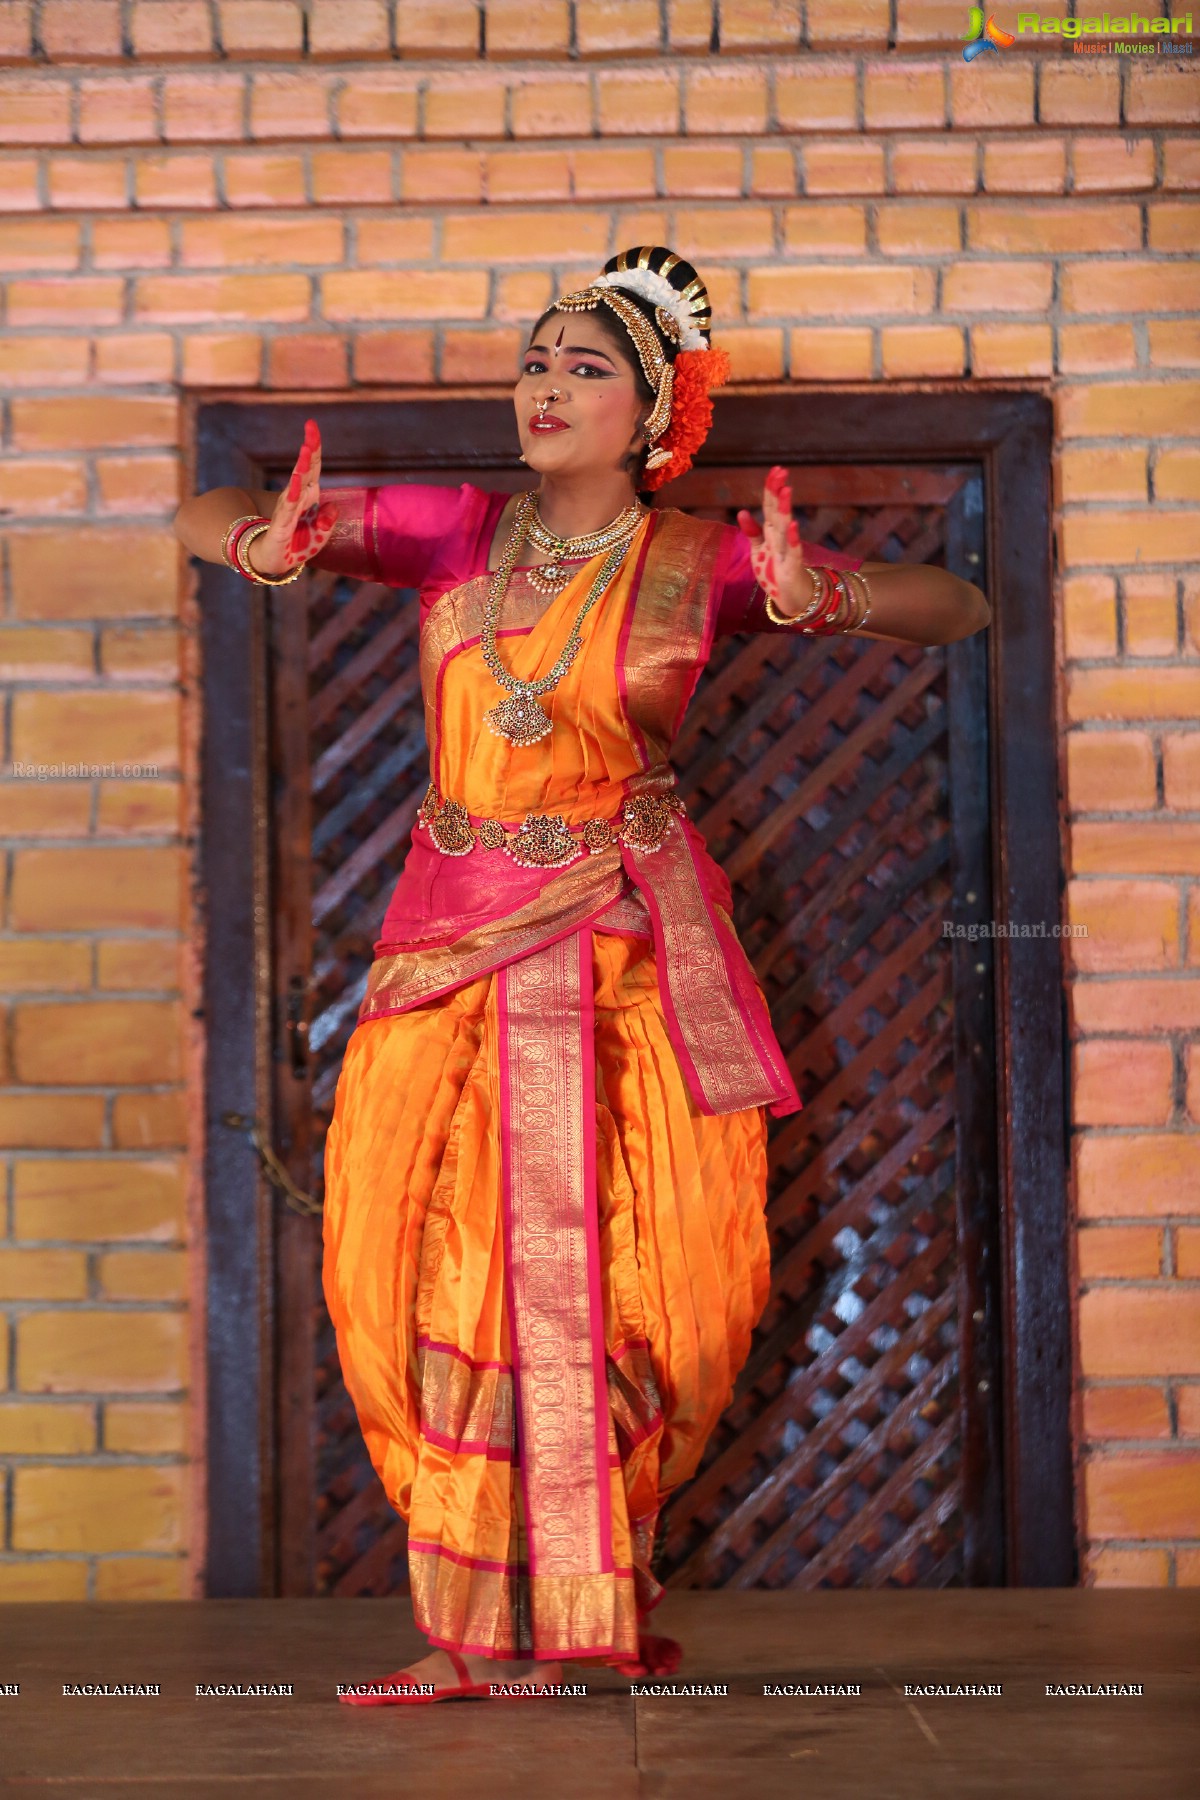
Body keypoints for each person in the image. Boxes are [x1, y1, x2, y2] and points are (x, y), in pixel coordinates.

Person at [174, 244, 990, 1705]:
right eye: (537, 361)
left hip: (621, 957)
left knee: (642, 1279)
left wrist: (829, 602)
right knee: (404, 1265)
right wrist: (262, 545)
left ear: (657, 410)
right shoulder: (450, 535)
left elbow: (958, 608)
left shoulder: (706, 563)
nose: (545, 387)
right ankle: (469, 1627)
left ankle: (561, 1619)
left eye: (585, 367)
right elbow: (207, 509)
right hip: (449, 951)